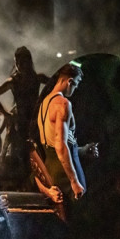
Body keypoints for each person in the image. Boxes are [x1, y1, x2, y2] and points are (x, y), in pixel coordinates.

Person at [37, 63, 99, 203]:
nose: (75, 89)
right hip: (65, 173)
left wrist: (81, 150)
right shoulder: (63, 104)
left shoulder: (44, 103)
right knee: (79, 210)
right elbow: (60, 145)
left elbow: (53, 143)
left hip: (51, 168)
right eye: (76, 84)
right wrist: (74, 181)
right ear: (69, 81)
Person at [0, 46, 50, 190]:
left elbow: (55, 86)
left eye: (23, 62)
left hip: (35, 121)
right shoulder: (13, 81)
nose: (20, 65)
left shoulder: (37, 78)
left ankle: (38, 184)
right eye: (18, 62)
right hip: (20, 122)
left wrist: (46, 105)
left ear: (29, 62)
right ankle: (24, 185)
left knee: (38, 152)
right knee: (20, 154)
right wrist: (6, 114)